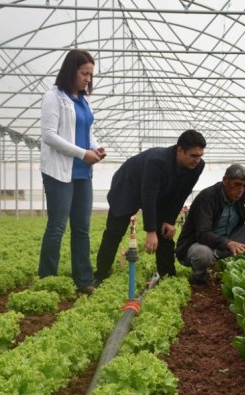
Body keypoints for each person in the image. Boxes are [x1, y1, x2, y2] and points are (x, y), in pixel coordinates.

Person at [94, 130, 206, 283]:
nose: (197, 160)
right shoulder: (157, 161)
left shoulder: (198, 166)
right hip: (128, 187)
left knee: (165, 232)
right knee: (114, 231)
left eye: (200, 155)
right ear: (180, 150)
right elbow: (148, 196)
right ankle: (101, 274)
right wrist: (150, 231)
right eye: (193, 156)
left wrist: (169, 220)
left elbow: (182, 193)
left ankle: (167, 276)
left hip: (161, 191)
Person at [38, 49, 106, 295]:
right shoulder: (53, 97)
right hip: (59, 172)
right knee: (57, 226)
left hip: (82, 173)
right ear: (71, 71)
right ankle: (47, 280)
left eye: (90, 74)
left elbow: (86, 132)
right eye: (84, 73)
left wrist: (95, 148)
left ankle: (84, 280)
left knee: (82, 228)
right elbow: (49, 136)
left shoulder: (83, 101)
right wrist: (82, 153)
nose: (88, 79)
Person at [176, 163, 245, 285]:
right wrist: (228, 243)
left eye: (244, 186)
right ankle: (200, 277)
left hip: (225, 243)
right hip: (200, 244)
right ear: (225, 181)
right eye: (237, 184)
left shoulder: (242, 194)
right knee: (202, 254)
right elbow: (203, 234)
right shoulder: (207, 197)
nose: (240, 189)